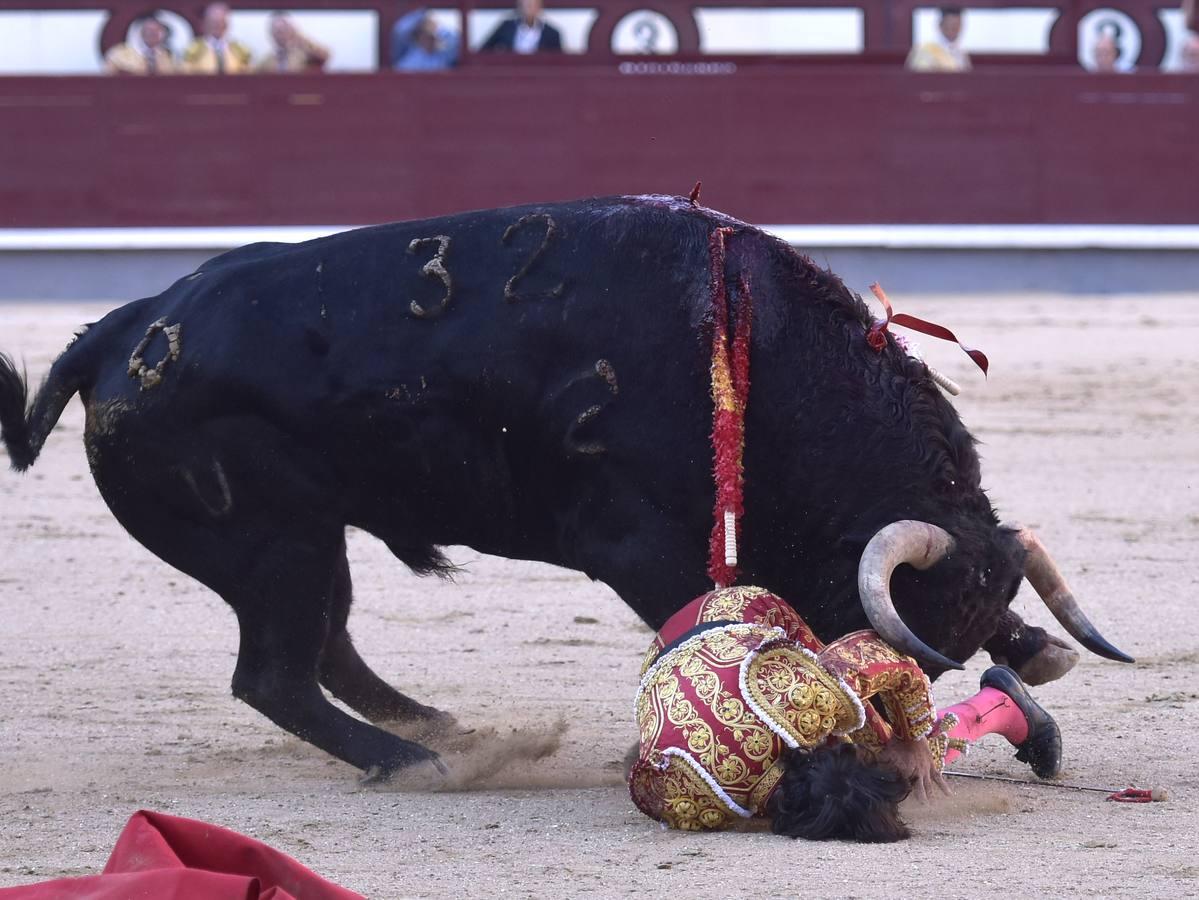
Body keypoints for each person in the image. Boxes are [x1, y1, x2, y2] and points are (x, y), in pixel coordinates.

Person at [629, 585, 1062, 838]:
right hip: (667, 654)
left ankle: (999, 707)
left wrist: (910, 739)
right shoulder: (692, 800)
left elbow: (882, 656)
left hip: (735, 614)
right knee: (887, 748)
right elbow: (640, 775)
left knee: (890, 743)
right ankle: (996, 706)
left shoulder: (807, 701)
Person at [182, 2, 253, 74]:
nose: (218, 26)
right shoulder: (193, 50)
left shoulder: (240, 50)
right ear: (205, 23)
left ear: (227, 24)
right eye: (213, 22)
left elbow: (249, 76)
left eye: (221, 22)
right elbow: (186, 74)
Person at [104, 12, 176, 75]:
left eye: (157, 31)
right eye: (150, 30)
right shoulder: (118, 53)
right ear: (142, 32)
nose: (153, 34)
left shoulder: (167, 55)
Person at [257, 12, 330, 73]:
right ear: (272, 34)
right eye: (277, 31)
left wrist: (300, 37)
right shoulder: (267, 60)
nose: (281, 33)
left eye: (285, 28)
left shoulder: (303, 54)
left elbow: (325, 55)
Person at [479, 0, 562, 54]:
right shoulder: (506, 27)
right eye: (525, 5)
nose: (528, 9)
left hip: (540, 76)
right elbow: (484, 50)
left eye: (532, 5)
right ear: (519, 6)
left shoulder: (552, 33)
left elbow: (559, 62)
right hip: (510, 74)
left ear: (539, 7)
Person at [391, 8, 460, 71]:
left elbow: (454, 39)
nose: (433, 39)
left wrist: (438, 28)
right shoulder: (409, 62)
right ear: (420, 37)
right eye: (429, 36)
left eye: (434, 37)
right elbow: (400, 29)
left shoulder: (443, 56)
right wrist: (422, 13)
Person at [906, 6, 971, 72]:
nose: (954, 30)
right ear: (940, 25)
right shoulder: (925, 50)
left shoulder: (961, 54)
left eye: (957, 26)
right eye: (950, 25)